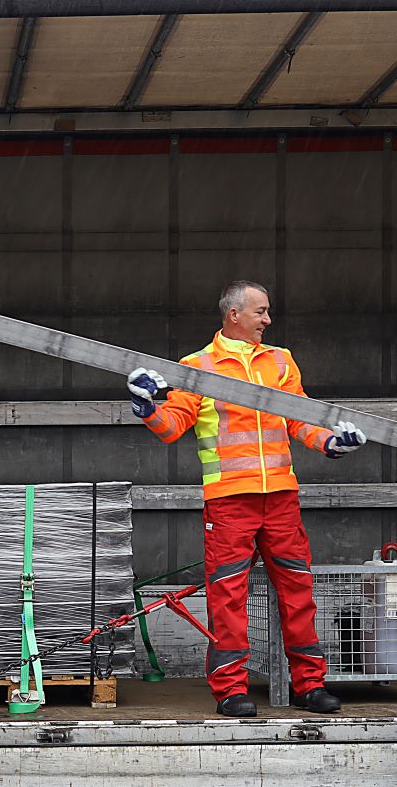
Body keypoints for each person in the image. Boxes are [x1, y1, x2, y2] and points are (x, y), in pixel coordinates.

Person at [126, 280, 369, 718]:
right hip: (229, 503)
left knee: (299, 592)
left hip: (280, 497)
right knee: (228, 597)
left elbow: (300, 419)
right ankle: (231, 691)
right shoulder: (196, 366)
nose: (268, 320)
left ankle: (309, 686)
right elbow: (171, 427)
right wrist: (146, 407)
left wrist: (330, 443)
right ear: (234, 314)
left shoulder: (280, 361)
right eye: (261, 312)